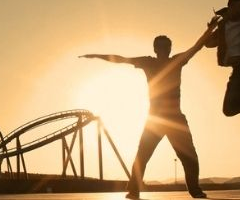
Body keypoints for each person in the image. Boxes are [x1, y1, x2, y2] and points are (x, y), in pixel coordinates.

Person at [79, 16, 219, 199]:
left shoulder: (176, 60)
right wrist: (98, 55)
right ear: (155, 49)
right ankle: (134, 189)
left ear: (170, 48)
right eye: (161, 47)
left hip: (174, 117)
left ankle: (194, 189)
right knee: (143, 155)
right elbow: (121, 59)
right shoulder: (148, 62)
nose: (164, 50)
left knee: (189, 157)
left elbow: (197, 46)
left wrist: (209, 30)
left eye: (166, 47)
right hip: (156, 118)